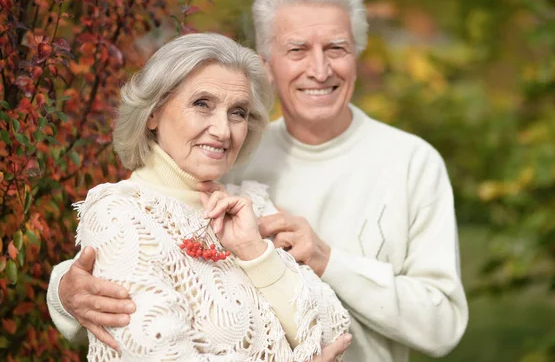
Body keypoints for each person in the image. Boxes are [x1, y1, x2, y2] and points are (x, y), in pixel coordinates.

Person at [48, 0, 468, 362]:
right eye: (297, 49)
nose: (319, 70)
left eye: (336, 48)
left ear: (356, 55)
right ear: (267, 63)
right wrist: (65, 289)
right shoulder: (228, 159)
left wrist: (326, 260)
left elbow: (441, 326)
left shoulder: (411, 161)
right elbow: (149, 229)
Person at [50, 32, 351, 361]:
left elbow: (335, 335)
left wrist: (255, 254)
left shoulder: (252, 205)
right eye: (202, 104)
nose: (223, 130)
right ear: (153, 113)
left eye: (237, 112)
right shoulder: (121, 213)